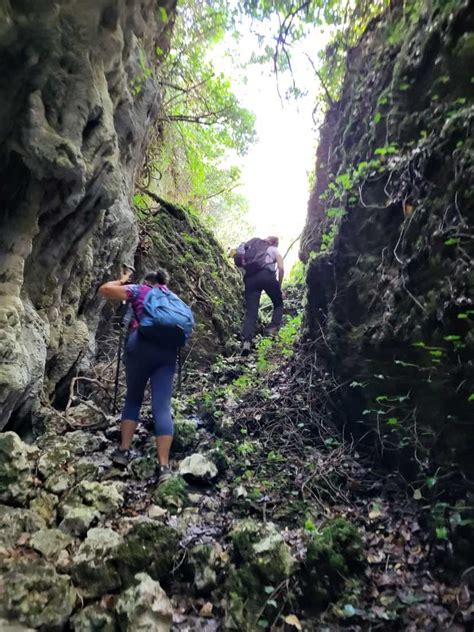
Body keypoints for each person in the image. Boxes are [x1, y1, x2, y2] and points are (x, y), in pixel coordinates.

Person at [99, 268, 177, 483]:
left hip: (140, 346)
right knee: (162, 407)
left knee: (133, 399)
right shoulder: (172, 298)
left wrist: (122, 280)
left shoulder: (140, 290)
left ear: (147, 281)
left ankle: (123, 452)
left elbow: (105, 290)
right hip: (167, 354)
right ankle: (163, 467)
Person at [237, 236, 284, 356]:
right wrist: (278, 285)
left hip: (250, 279)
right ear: (275, 243)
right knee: (278, 303)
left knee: (251, 313)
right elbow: (281, 268)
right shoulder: (274, 249)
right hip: (267, 275)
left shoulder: (255, 249)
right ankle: (272, 329)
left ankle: (246, 342)